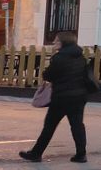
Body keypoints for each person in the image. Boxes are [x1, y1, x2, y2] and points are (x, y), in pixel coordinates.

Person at [20, 31, 90, 163]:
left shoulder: (59, 58)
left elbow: (48, 75)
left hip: (61, 97)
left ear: (63, 43)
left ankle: (36, 153)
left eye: (56, 41)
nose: (54, 43)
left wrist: (48, 71)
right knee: (77, 125)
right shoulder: (81, 57)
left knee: (49, 126)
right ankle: (81, 154)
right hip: (79, 96)